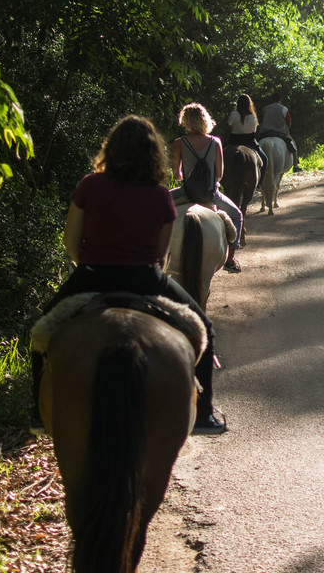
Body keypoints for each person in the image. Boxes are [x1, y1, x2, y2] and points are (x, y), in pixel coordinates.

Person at [32, 114, 227, 435]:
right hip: (144, 278)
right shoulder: (160, 196)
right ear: (152, 154)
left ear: (111, 149)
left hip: (93, 275)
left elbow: (71, 243)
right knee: (204, 327)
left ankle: (37, 414)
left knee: (41, 331)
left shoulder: (88, 185)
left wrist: (94, 268)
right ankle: (204, 415)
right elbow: (162, 257)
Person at [170, 102, 245, 272]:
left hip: (187, 193)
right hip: (211, 195)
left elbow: (177, 175)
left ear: (185, 120)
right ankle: (230, 259)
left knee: (155, 207)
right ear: (205, 120)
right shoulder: (216, 142)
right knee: (237, 216)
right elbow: (219, 174)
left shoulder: (179, 143)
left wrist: (187, 176)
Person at [226, 93, 269, 179]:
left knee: (218, 156)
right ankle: (260, 183)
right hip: (249, 140)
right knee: (264, 159)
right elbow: (253, 131)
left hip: (234, 140)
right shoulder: (252, 117)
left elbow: (229, 127)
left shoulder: (233, 114)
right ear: (249, 104)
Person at [258, 92, 302, 172]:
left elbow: (261, 120)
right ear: (280, 99)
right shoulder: (284, 109)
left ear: (272, 99)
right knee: (293, 145)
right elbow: (288, 122)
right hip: (280, 132)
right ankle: (295, 165)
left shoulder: (265, 109)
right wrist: (287, 128)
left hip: (265, 133)